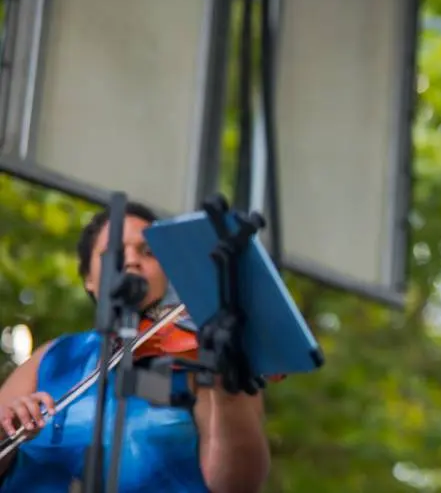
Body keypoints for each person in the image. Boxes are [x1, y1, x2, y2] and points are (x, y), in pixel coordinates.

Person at [0, 202, 270, 492]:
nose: (131, 261)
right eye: (113, 252)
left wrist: (226, 392)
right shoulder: (54, 357)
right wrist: (7, 431)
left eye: (148, 252)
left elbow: (237, 485)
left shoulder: (202, 357)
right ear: (89, 279)